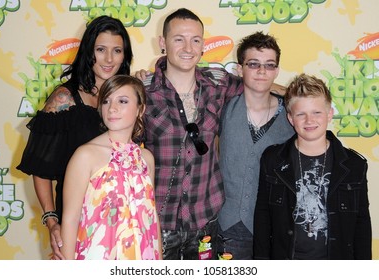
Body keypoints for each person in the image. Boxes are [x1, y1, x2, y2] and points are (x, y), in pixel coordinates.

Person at [16, 15, 133, 259]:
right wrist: (52, 221)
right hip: (77, 221)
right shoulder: (64, 99)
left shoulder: (128, 96)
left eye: (117, 50)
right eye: (100, 50)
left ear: (125, 55)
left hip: (123, 221)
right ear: (88, 51)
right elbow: (41, 170)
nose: (109, 59)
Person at [141, 8, 245, 260]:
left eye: (195, 40)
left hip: (205, 221)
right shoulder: (140, 91)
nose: (188, 47)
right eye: (179, 39)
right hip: (156, 223)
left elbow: (258, 84)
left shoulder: (219, 83)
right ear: (162, 43)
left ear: (203, 46)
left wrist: (301, 94)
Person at [253, 73, 372, 260]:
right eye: (301, 114)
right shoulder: (272, 160)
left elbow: (362, 224)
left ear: (330, 114)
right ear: (291, 118)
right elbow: (263, 217)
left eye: (317, 112)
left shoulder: (354, 165)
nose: (309, 121)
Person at [60, 75, 161, 260]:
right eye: (106, 101)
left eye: (122, 101)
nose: (112, 108)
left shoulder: (146, 158)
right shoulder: (85, 155)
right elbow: (70, 219)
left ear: (141, 109)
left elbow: (151, 217)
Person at [217, 31, 295, 260]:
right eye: (254, 64)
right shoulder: (222, 106)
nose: (262, 71)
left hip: (276, 227)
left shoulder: (293, 115)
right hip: (228, 226)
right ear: (240, 69)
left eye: (269, 65)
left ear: (277, 71)